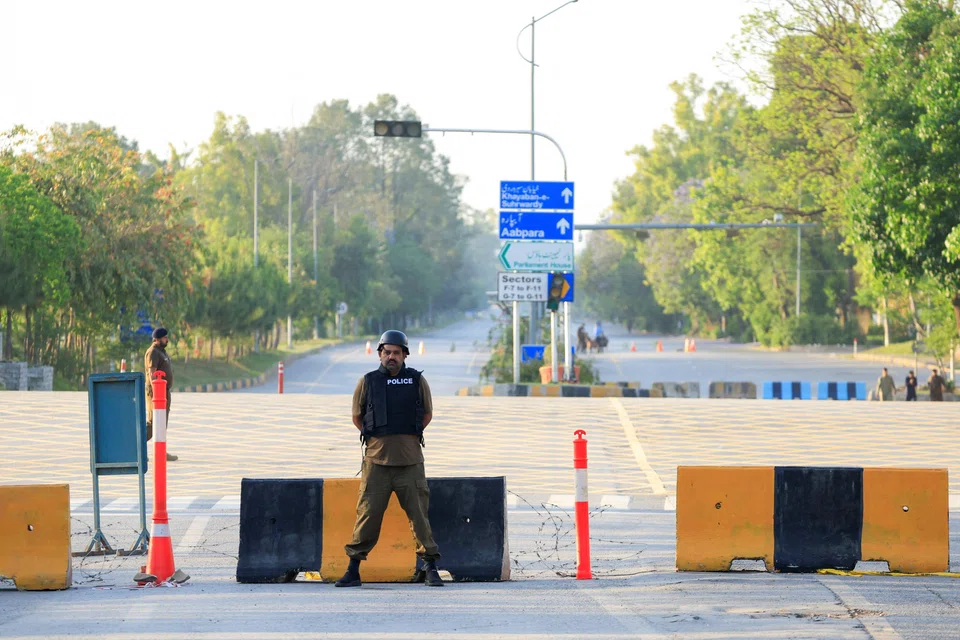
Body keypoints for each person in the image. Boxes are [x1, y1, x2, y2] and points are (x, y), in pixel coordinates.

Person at [335, 330, 443, 588]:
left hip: (410, 463)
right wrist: (378, 441)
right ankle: (353, 569)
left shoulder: (417, 381)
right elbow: (357, 417)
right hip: (376, 464)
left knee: (419, 517)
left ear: (404, 355)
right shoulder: (368, 381)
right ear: (380, 354)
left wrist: (406, 438)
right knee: (367, 516)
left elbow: (427, 414)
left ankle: (430, 567)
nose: (391, 357)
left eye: (396, 352)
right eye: (387, 352)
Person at [144, 327, 178, 461]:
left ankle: (161, 452)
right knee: (154, 423)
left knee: (162, 423)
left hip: (164, 392)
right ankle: (137, 449)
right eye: (164, 338)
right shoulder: (153, 352)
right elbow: (152, 374)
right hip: (156, 393)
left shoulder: (161, 351)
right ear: (157, 339)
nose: (167, 339)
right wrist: (157, 394)